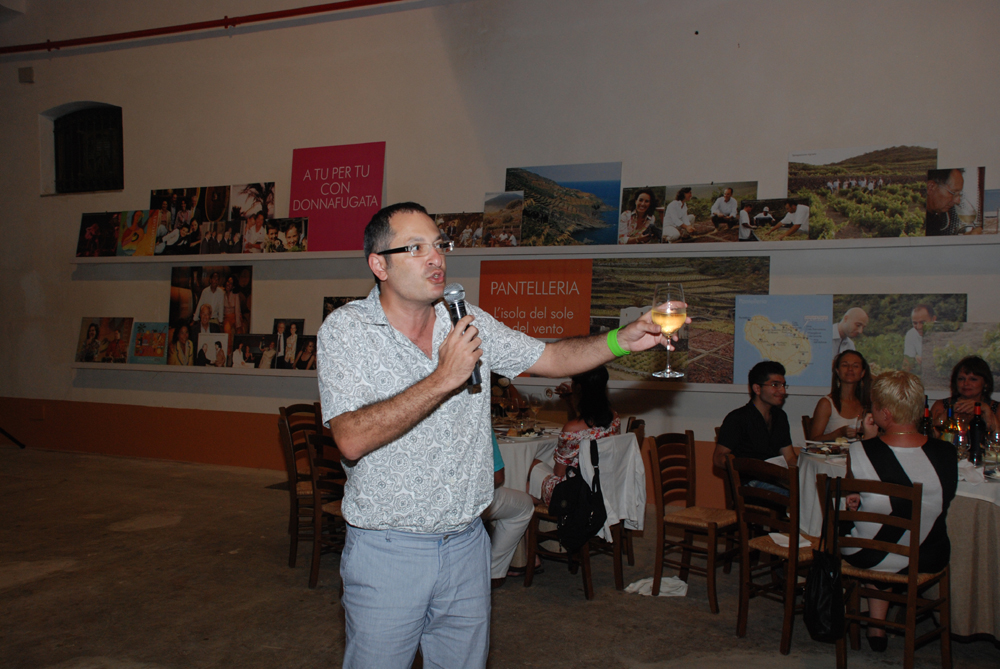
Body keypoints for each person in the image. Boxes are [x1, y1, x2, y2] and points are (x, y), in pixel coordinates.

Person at [317, 202, 674, 668]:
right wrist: (443, 378)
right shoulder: (348, 331)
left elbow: (549, 357)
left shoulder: (467, 321)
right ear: (379, 265)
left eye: (439, 245)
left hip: (467, 545)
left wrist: (619, 341)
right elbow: (349, 437)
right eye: (416, 248)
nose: (436, 258)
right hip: (389, 551)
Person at [843, 371, 957, 652]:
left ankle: (875, 624)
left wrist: (870, 440)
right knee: (901, 531)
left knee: (858, 527)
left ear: (884, 413)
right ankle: (877, 625)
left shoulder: (859, 451)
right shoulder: (946, 453)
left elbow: (855, 495)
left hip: (868, 553)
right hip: (926, 554)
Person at [534, 366, 620, 506]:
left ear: (578, 388)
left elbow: (559, 472)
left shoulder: (571, 429)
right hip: (604, 485)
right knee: (534, 482)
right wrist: (570, 402)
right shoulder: (614, 417)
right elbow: (582, 425)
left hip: (576, 494)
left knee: (532, 468)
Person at [713, 361, 796, 476]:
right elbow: (718, 459)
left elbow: (789, 457)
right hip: (750, 481)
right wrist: (748, 466)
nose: (783, 391)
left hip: (775, 479)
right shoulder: (738, 418)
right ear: (757, 388)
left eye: (783, 385)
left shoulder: (780, 416)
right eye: (775, 385)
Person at [481, 432, 534, 589]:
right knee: (524, 505)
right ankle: (493, 571)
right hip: (467, 502)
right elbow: (498, 478)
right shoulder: (479, 422)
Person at [809, 350, 871, 441]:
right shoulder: (827, 403)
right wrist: (839, 433)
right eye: (845, 365)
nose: (850, 369)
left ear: (862, 373)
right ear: (837, 371)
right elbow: (813, 441)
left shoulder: (867, 403)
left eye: (855, 366)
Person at [930, 355, 1000, 433]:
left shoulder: (997, 408)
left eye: (973, 379)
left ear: (986, 383)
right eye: (961, 379)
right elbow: (931, 435)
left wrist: (987, 411)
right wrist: (949, 412)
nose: (966, 383)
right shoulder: (941, 405)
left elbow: (997, 436)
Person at [925, 168, 965, 236]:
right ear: (931, 187)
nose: (957, 201)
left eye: (959, 194)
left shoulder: (935, 219)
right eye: (953, 193)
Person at [902, 304, 936, 373]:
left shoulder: (945, 332)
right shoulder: (911, 334)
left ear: (933, 319)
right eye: (915, 323)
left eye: (922, 322)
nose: (919, 327)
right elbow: (907, 363)